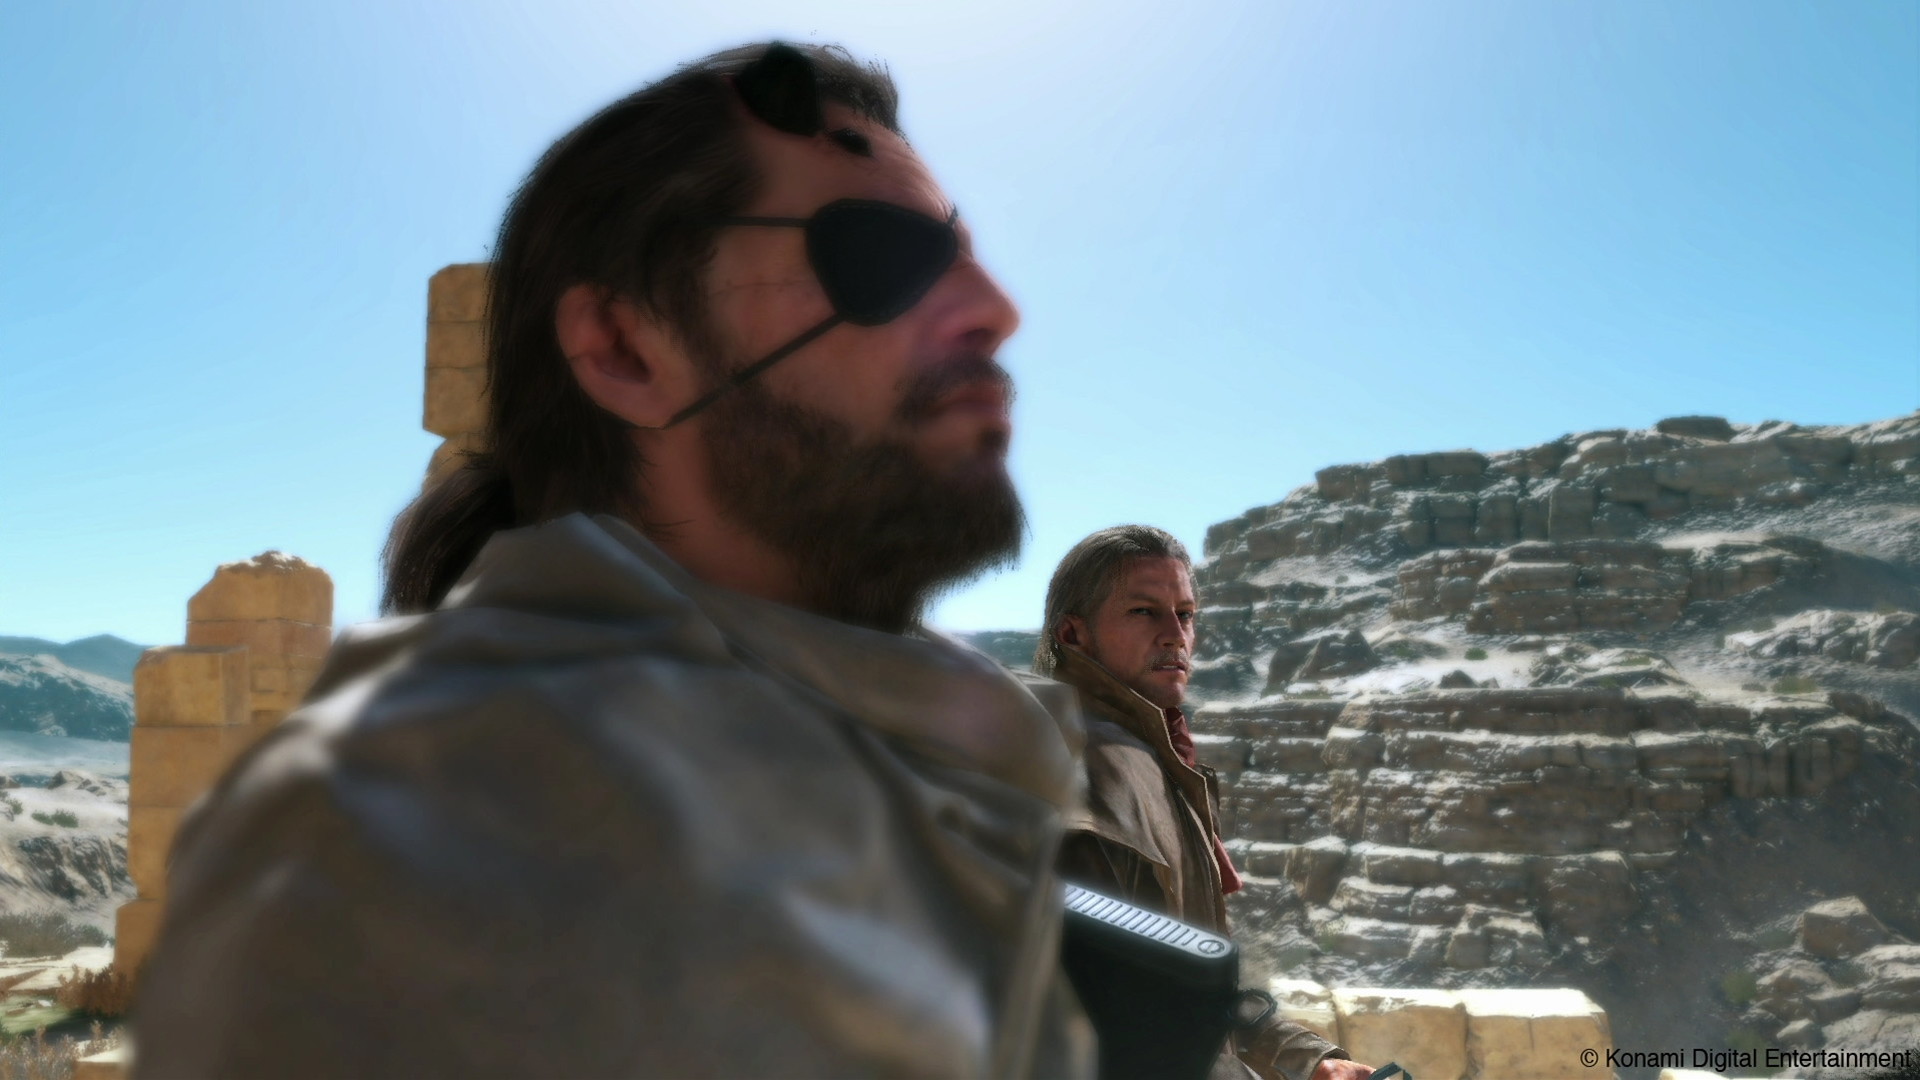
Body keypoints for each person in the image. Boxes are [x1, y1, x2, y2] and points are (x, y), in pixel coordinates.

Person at [133, 43, 1093, 1079]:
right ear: (625, 349)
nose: (995, 307)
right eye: (881, 254)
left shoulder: (943, 756)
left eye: (960, 253)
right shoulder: (412, 854)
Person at [1036, 526, 1373, 1080]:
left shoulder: (1152, 757)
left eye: (1186, 615)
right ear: (1074, 634)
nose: (1175, 636)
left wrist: (1306, 1060)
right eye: (1144, 612)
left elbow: (1190, 977)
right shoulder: (1087, 774)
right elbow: (1118, 1027)